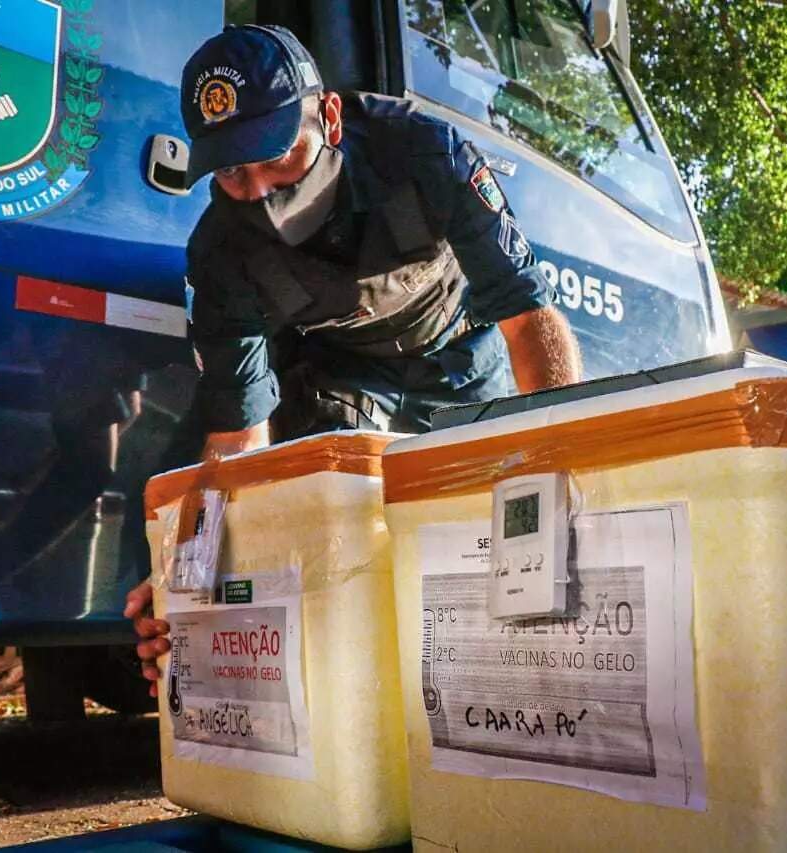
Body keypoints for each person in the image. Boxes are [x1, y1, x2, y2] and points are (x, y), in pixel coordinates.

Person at [126, 24, 582, 694]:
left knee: (501, 521)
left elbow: (528, 318)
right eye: (229, 171)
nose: (258, 191)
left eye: (275, 156)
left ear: (330, 117)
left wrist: (565, 474)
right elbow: (236, 442)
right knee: (337, 541)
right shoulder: (221, 252)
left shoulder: (424, 151)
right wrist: (187, 586)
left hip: (461, 354)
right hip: (345, 378)